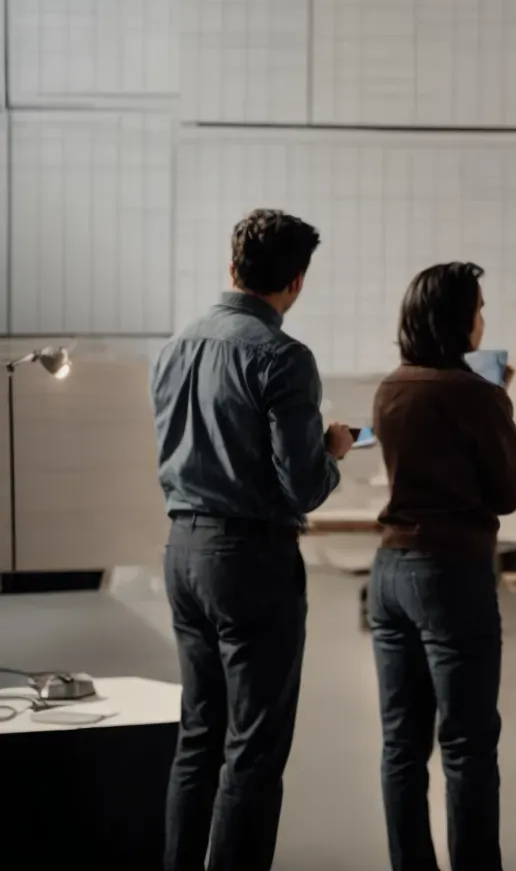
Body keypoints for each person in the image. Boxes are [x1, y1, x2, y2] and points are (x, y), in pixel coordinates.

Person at [151, 209, 353, 871]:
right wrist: (332, 453)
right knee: (255, 747)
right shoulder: (283, 357)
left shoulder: (176, 346)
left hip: (182, 551)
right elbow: (300, 485)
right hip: (250, 561)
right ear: (295, 282)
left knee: (199, 736)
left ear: (232, 265)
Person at [368, 262, 516, 871]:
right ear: (458, 319)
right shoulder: (474, 393)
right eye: (479, 307)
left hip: (389, 575)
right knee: (466, 745)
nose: (482, 319)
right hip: (449, 575)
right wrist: (501, 404)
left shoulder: (391, 387)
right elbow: (507, 491)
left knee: (402, 746)